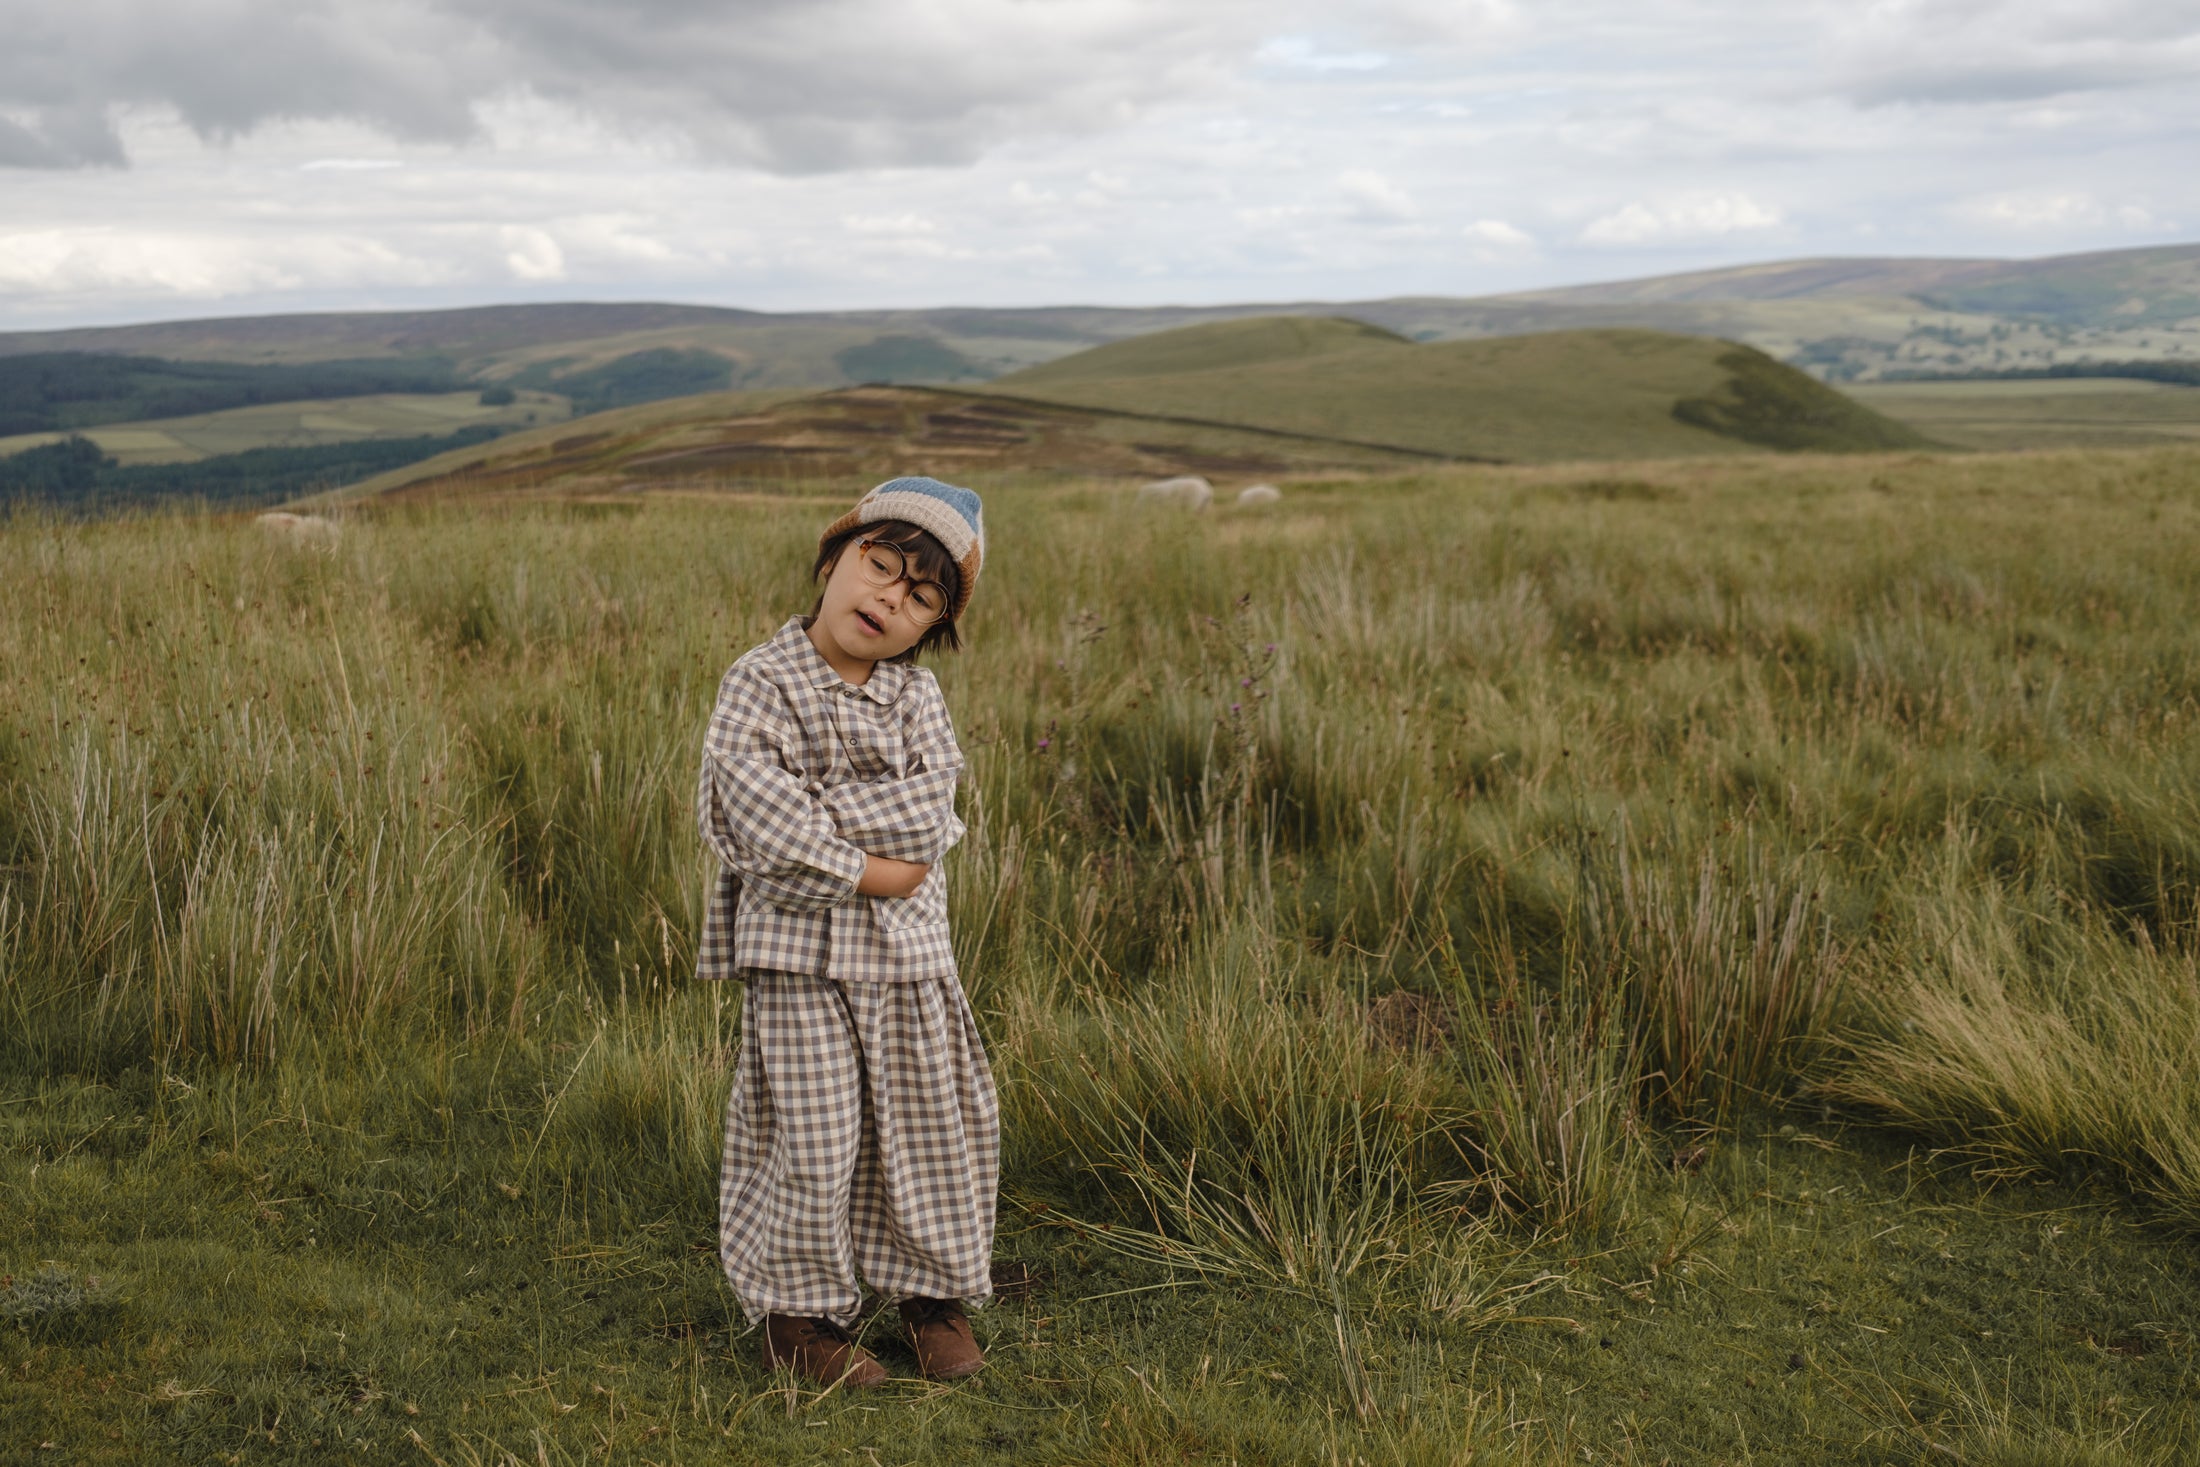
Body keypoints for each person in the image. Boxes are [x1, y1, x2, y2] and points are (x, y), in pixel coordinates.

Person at [695, 476, 996, 1389]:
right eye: (880, 566)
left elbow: (927, 810)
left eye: (920, 595)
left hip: (908, 960)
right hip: (796, 962)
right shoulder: (762, 678)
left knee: (927, 1122)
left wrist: (822, 811)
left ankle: (930, 1295)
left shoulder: (917, 697)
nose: (889, 599)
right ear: (833, 561)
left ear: (931, 626)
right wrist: (871, 867)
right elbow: (761, 819)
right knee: (816, 1135)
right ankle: (800, 1318)